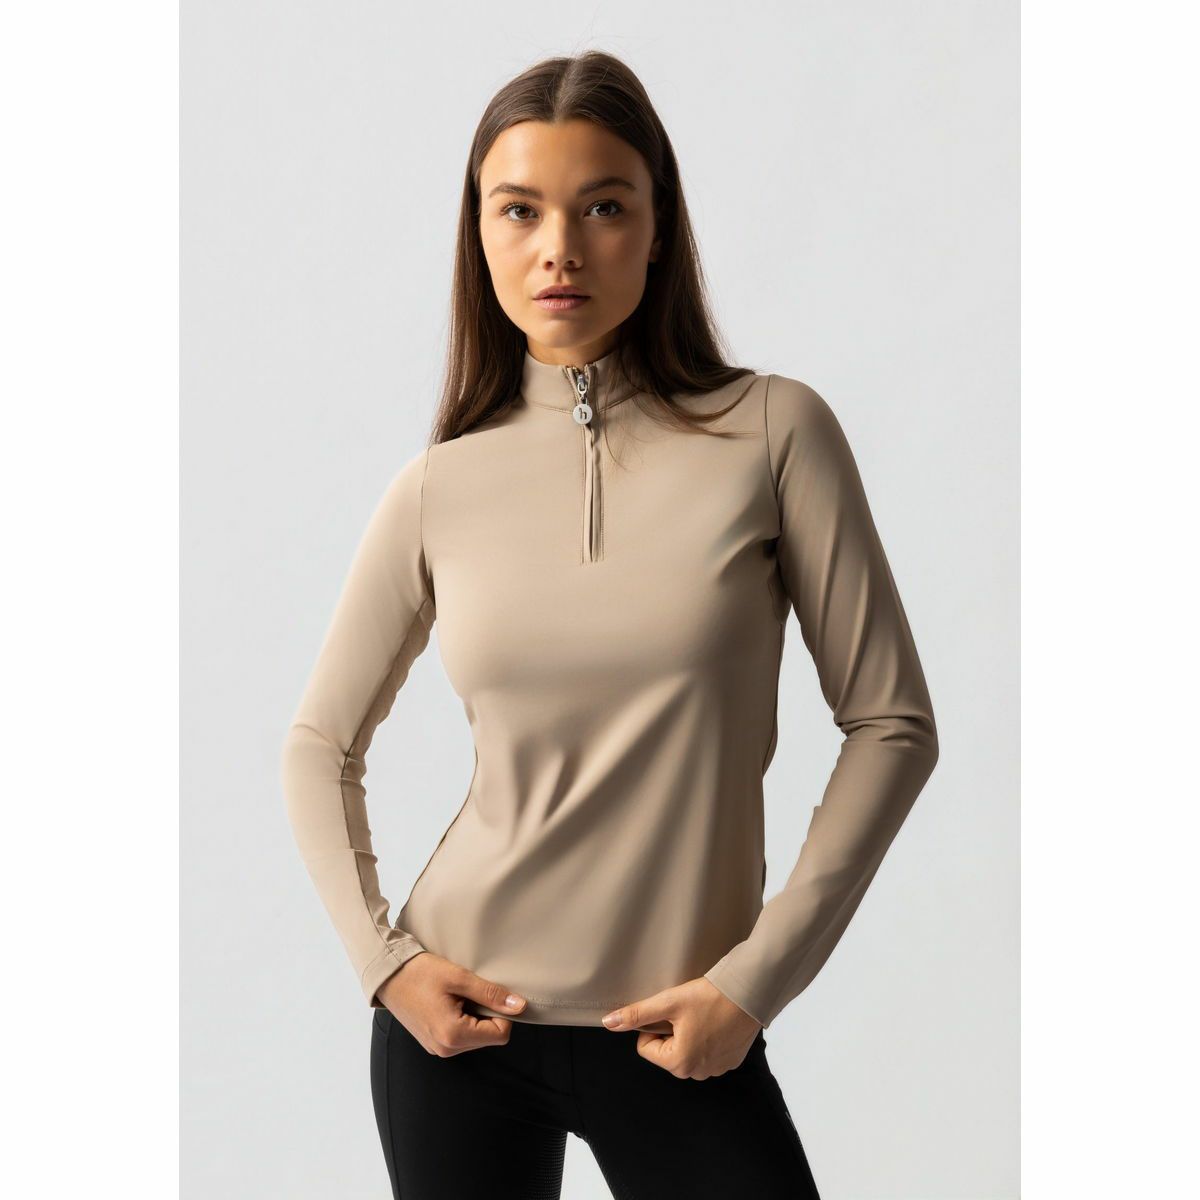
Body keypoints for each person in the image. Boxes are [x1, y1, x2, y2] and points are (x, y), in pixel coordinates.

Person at [281, 49, 938, 1200]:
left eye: (602, 207)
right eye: (519, 210)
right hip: (461, 1033)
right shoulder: (440, 487)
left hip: (685, 1031)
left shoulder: (774, 435)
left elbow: (892, 726)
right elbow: (317, 745)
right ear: (479, 232)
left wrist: (754, 981)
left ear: (658, 224)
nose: (560, 249)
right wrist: (387, 963)